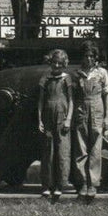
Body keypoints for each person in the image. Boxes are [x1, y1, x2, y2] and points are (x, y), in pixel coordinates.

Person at [36, 49, 77, 203]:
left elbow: (71, 100)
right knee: (48, 153)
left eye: (60, 63)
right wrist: (39, 119)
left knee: (62, 152)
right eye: (54, 63)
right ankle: (47, 185)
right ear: (51, 63)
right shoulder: (45, 79)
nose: (57, 66)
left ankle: (61, 185)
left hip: (62, 118)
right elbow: (40, 101)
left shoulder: (67, 79)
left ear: (64, 64)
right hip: (47, 117)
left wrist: (68, 120)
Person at [74, 41, 108, 201]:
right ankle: (82, 182)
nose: (88, 59)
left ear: (96, 57)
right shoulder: (77, 73)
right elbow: (73, 97)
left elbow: (106, 96)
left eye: (91, 56)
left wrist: (107, 117)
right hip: (81, 110)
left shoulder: (102, 73)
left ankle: (93, 184)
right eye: (86, 56)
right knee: (81, 148)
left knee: (95, 148)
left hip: (97, 109)